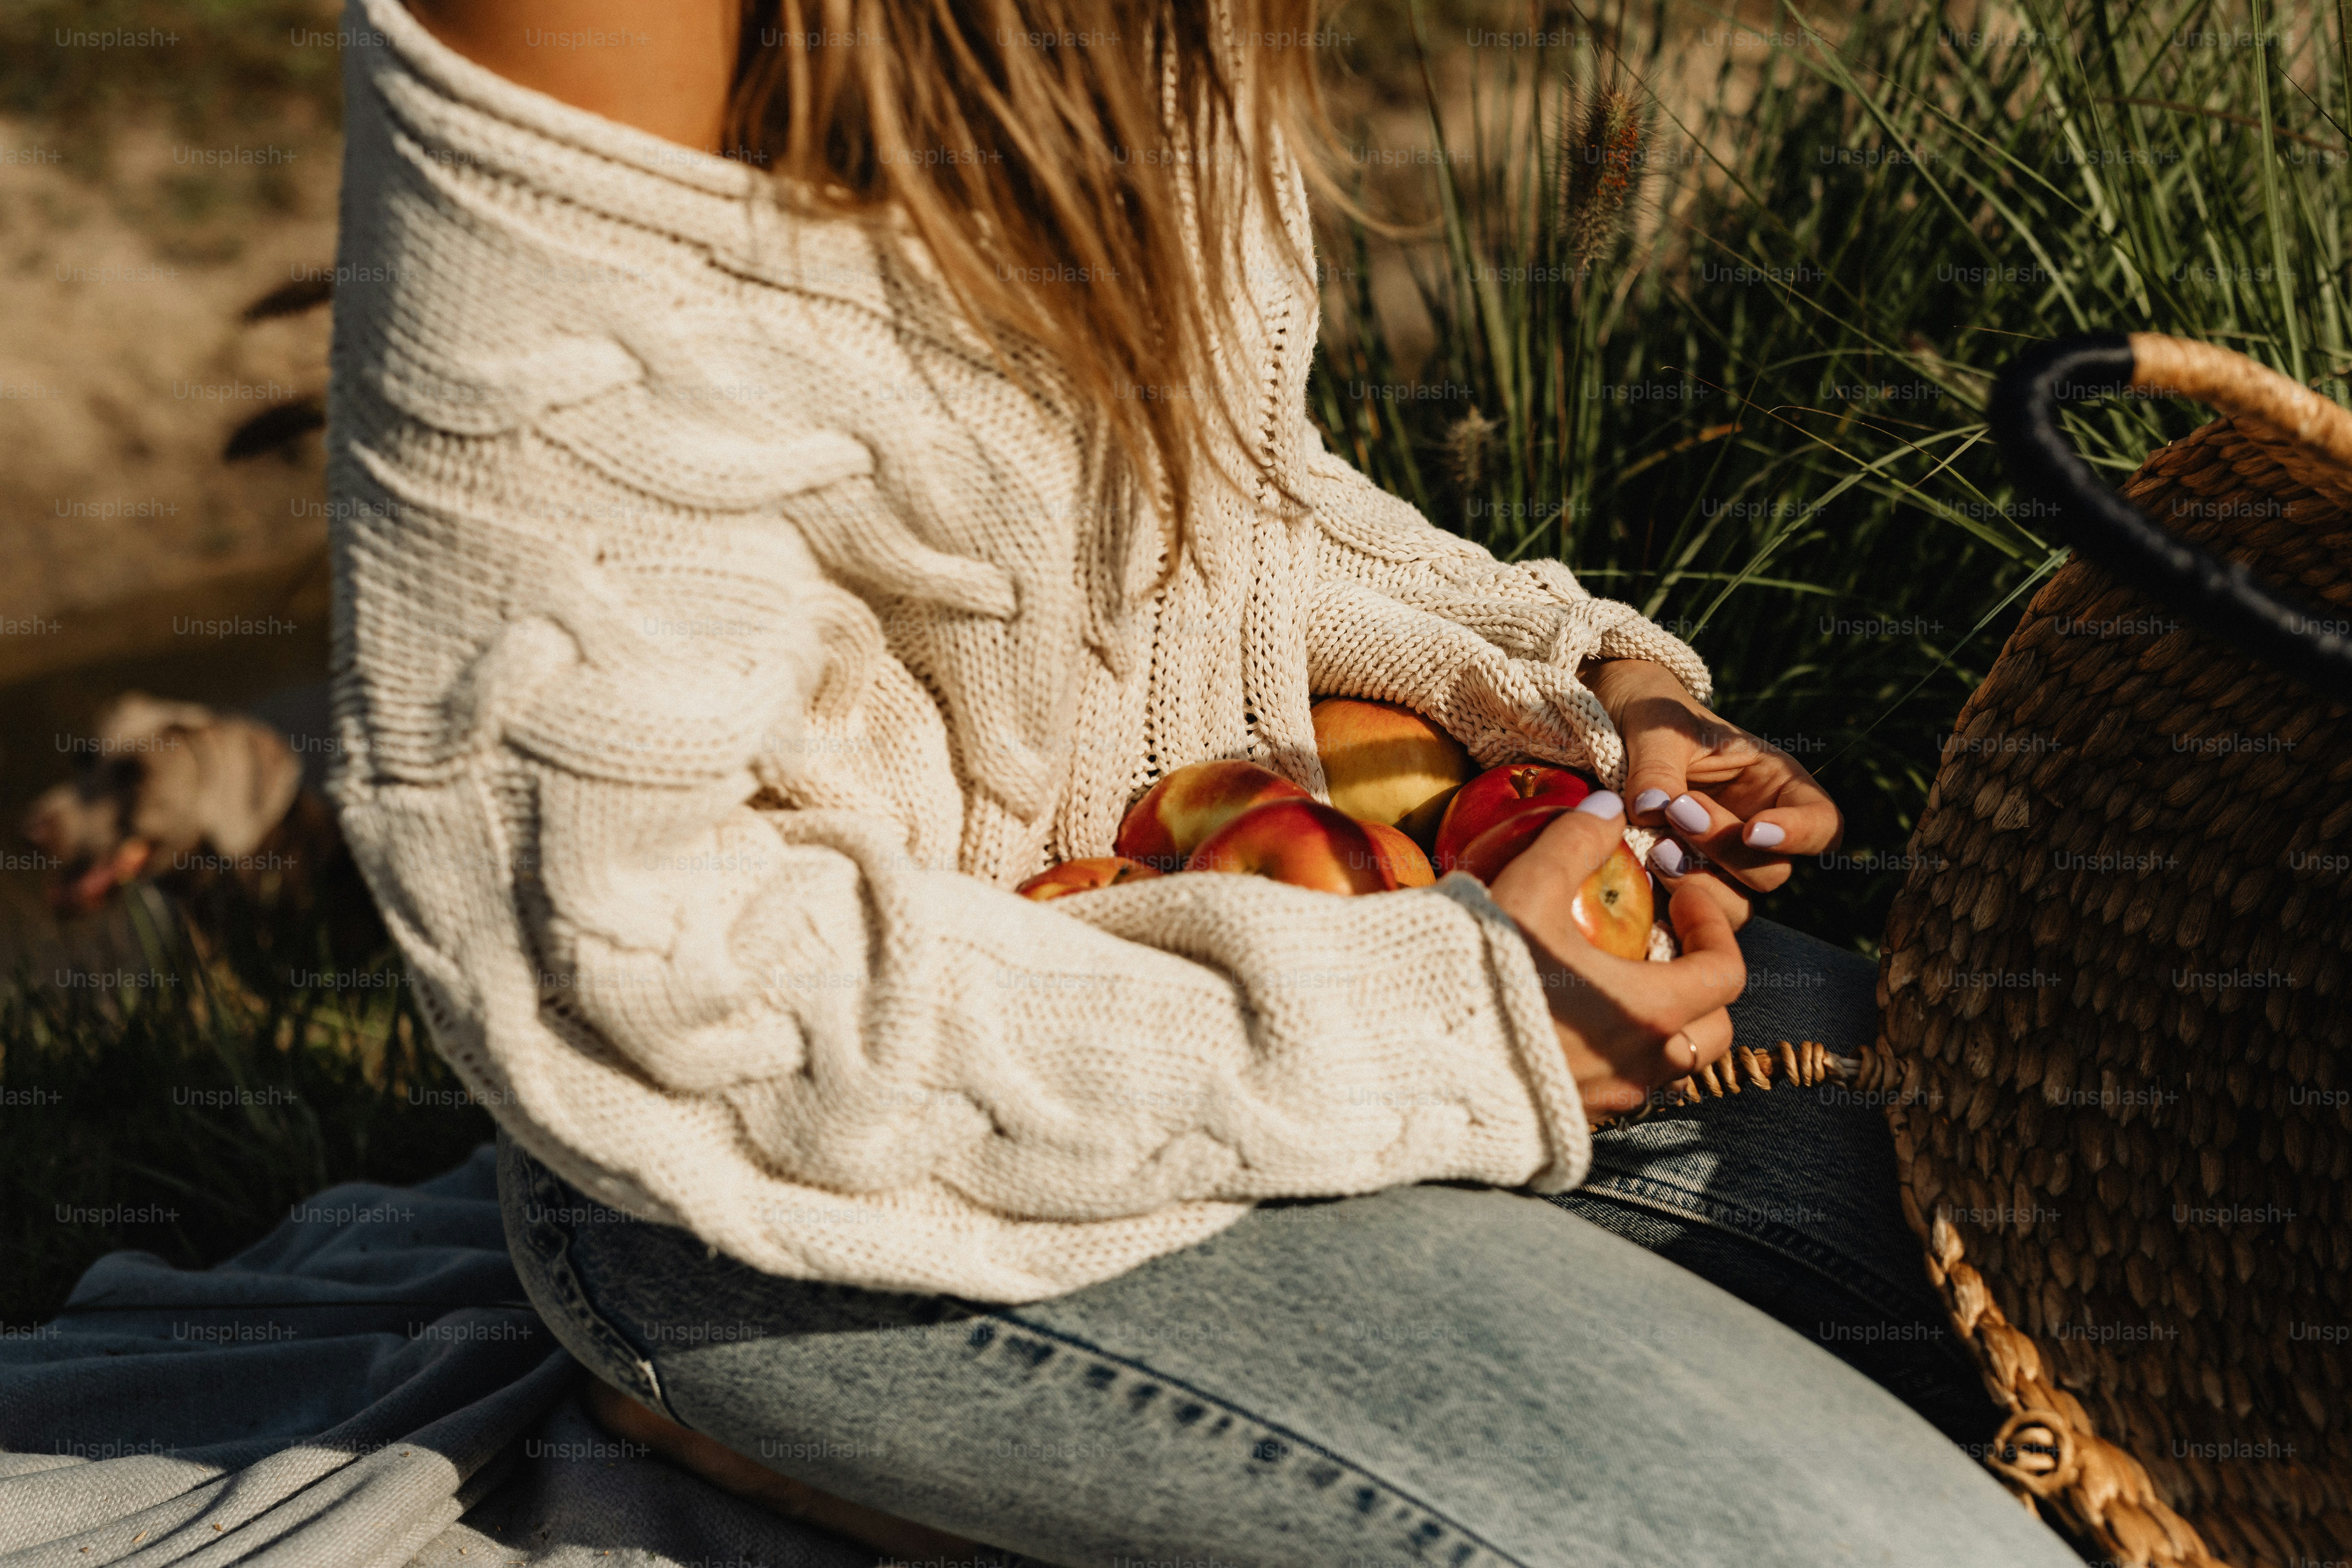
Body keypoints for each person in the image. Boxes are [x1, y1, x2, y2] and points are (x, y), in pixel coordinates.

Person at [326, 1, 2083, 1562]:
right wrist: (1439, 1030)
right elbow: (619, 945)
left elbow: (1220, 508)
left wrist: (1584, 692)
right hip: (816, 1197)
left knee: (2089, 1296)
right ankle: (848, 1461)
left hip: (1275, 953)